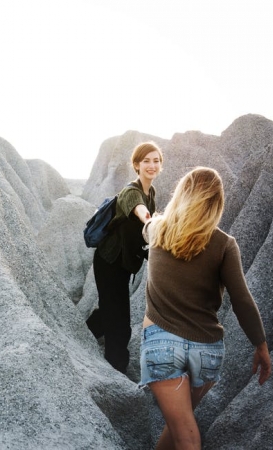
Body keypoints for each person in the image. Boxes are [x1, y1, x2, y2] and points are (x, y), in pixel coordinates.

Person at [139, 167, 272, 450]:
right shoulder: (225, 244)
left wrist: (148, 219)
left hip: (162, 344)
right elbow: (242, 300)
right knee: (180, 426)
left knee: (184, 433)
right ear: (216, 202)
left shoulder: (158, 229)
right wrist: (260, 345)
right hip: (207, 351)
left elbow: (146, 227)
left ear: (181, 195)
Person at [87, 141, 164, 374]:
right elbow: (141, 212)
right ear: (136, 165)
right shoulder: (132, 192)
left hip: (122, 266)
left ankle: (83, 334)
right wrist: (151, 221)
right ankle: (116, 367)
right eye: (146, 161)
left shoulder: (151, 192)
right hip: (109, 263)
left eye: (156, 160)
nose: (152, 165)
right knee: (119, 320)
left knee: (111, 309)